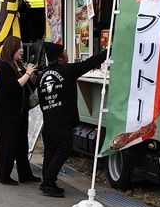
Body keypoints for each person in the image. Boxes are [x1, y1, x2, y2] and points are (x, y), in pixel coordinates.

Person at [36, 43, 108, 197]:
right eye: (66, 53)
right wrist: (108, 52)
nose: (68, 56)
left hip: (48, 119)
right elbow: (88, 64)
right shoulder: (67, 71)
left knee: (50, 151)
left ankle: (48, 182)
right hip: (62, 120)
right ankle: (48, 182)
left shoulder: (43, 75)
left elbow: (41, 99)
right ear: (60, 58)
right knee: (63, 150)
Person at [0, 35, 40, 185]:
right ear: (11, 48)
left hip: (21, 110)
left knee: (22, 144)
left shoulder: (18, 65)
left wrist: (32, 76)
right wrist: (26, 74)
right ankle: (4, 175)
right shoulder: (4, 66)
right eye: (19, 47)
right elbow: (13, 86)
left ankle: (25, 174)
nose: (22, 50)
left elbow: (27, 88)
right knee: (9, 143)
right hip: (9, 112)